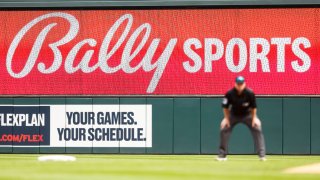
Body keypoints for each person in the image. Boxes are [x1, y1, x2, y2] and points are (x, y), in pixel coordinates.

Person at [216, 76, 266, 161]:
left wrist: (254, 119)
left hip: (247, 114)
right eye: (238, 84)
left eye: (241, 84)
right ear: (235, 84)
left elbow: (254, 107)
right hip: (233, 115)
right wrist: (226, 119)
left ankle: (262, 155)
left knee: (257, 127)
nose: (240, 86)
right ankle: (222, 155)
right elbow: (225, 107)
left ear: (244, 84)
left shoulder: (249, 93)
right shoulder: (229, 93)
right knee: (224, 128)